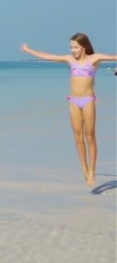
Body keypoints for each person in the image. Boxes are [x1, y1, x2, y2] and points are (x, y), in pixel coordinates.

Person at [20, 33, 117, 186]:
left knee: (90, 136)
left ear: (83, 47)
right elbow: (48, 56)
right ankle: (84, 168)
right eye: (71, 47)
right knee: (78, 137)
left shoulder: (95, 58)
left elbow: (114, 57)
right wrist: (28, 50)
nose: (72, 50)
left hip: (88, 100)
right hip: (73, 101)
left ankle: (92, 170)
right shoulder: (69, 59)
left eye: (75, 47)